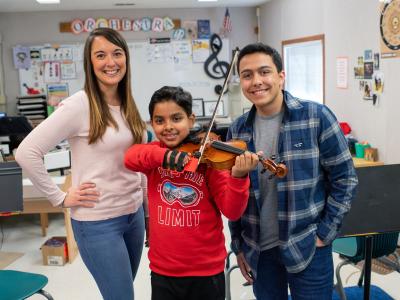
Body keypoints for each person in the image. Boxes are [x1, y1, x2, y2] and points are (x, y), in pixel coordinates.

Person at [16, 28, 147, 300]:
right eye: (100, 55)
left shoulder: (128, 103)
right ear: (90, 63)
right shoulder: (79, 105)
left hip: (133, 217)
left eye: (117, 53)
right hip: (98, 223)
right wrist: (59, 197)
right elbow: (26, 152)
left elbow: (139, 161)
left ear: (126, 58)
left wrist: (147, 211)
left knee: (122, 294)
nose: (110, 62)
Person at [227, 43, 358, 300]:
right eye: (247, 75)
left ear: (281, 76)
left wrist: (324, 234)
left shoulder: (317, 117)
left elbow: (345, 178)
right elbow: (235, 196)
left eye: (264, 72)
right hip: (259, 250)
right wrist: (239, 246)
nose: (256, 81)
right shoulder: (237, 130)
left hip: (308, 246)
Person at [124, 86, 259, 300]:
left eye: (176, 118)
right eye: (159, 121)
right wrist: (163, 156)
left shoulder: (209, 160)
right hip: (163, 271)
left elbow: (232, 212)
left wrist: (239, 177)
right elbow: (130, 157)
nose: (168, 127)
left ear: (191, 119)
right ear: (151, 123)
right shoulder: (153, 156)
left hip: (206, 271)